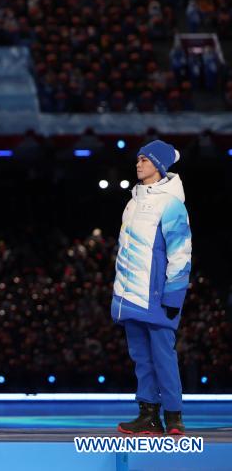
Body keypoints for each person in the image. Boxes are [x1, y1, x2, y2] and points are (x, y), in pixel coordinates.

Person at [113, 140, 191, 436]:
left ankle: (174, 417)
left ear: (158, 165)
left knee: (163, 356)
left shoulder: (171, 203)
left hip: (158, 296)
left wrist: (174, 294)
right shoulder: (132, 202)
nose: (138, 163)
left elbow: (181, 251)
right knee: (141, 358)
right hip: (130, 294)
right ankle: (148, 415)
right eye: (138, 159)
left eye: (144, 159)